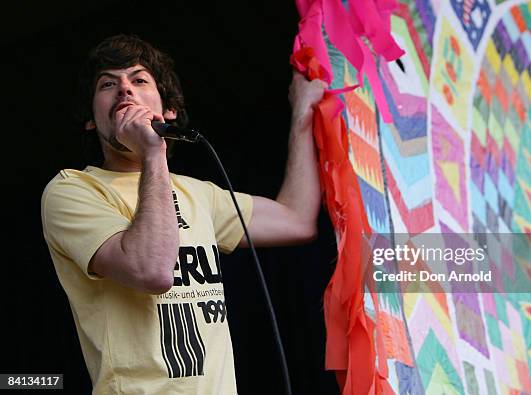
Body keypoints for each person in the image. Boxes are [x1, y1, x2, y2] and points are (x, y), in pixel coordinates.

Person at [41, 34, 325, 394]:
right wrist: (152, 153)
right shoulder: (73, 190)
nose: (125, 90)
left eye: (139, 80)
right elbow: (152, 270)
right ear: (91, 121)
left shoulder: (198, 194)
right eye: (108, 84)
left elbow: (296, 220)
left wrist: (302, 116)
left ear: (168, 111)